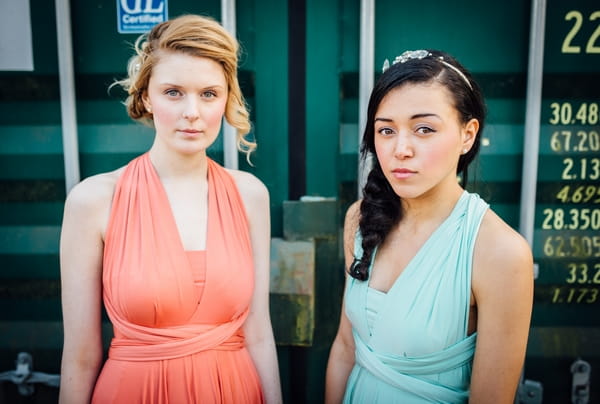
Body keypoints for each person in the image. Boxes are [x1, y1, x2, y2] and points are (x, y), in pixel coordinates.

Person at [59, 14, 282, 403]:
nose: (192, 111)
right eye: (174, 92)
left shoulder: (250, 194)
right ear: (147, 96)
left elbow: (258, 331)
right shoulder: (93, 200)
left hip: (233, 391)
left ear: (226, 98)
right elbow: (80, 356)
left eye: (209, 94)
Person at [325, 50, 533, 403]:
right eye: (386, 130)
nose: (400, 149)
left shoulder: (500, 253)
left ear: (468, 135)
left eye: (424, 129)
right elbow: (346, 346)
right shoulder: (360, 218)